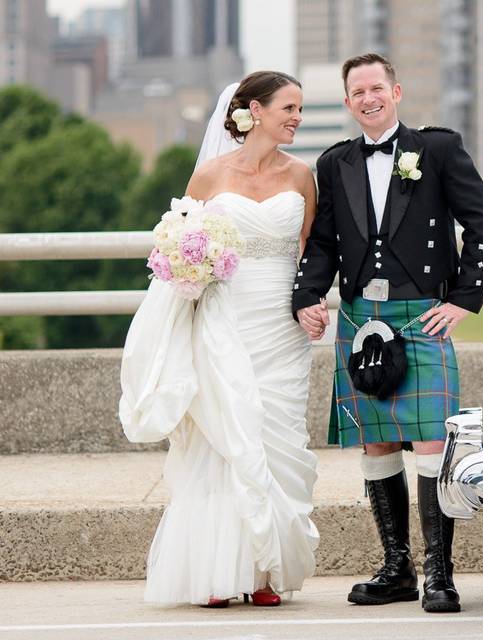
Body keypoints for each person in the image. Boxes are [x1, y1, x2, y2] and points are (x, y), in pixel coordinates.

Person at [292, 53, 483, 614]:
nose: (368, 98)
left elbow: (482, 222)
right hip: (362, 316)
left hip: (421, 313)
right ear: (347, 101)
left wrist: (463, 301)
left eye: (376, 88)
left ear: (396, 91)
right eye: (357, 91)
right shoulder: (334, 163)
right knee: (377, 440)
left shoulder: (437, 149)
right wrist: (307, 294)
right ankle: (396, 567)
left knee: (433, 439)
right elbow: (324, 242)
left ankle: (439, 572)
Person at [119, 71, 319, 607]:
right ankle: (215, 572)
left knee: (276, 439)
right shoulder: (208, 176)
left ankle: (261, 571)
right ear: (253, 110)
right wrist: (187, 268)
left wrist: (312, 301)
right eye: (290, 108)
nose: (298, 117)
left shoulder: (302, 176)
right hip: (224, 320)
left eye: (300, 109)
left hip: (282, 326)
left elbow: (310, 254)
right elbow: (181, 243)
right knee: (222, 440)